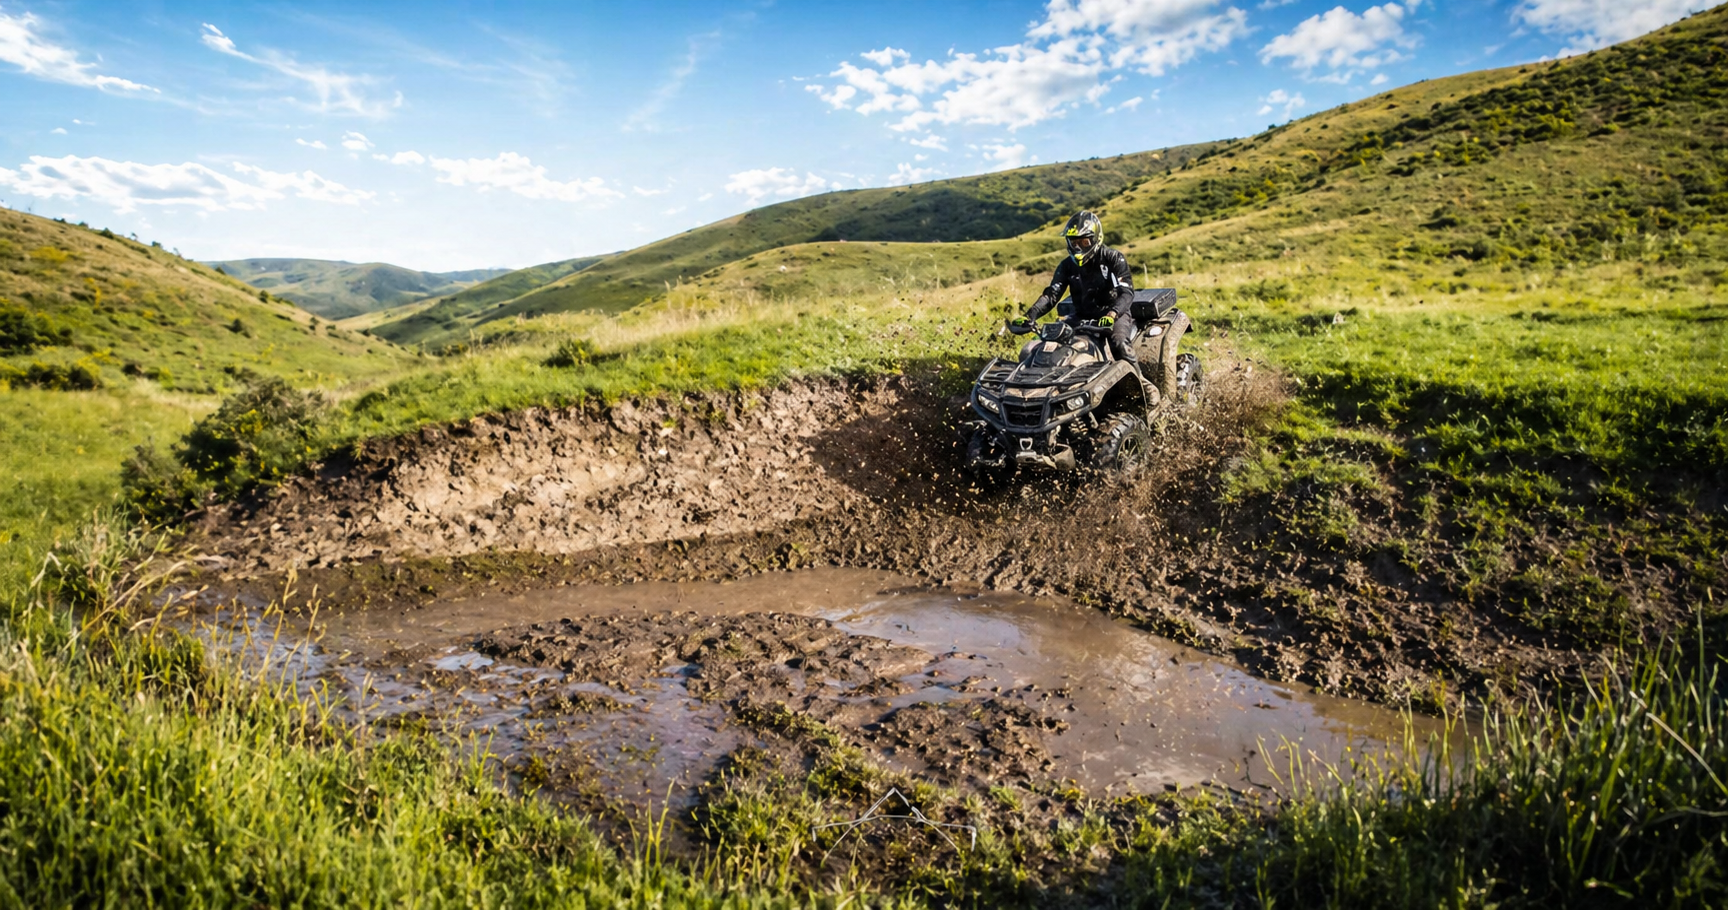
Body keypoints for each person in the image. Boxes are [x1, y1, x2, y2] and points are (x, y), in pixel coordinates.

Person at [1011, 211, 1150, 395]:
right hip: (1081, 315)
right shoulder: (1066, 266)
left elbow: (1126, 292)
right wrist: (1030, 315)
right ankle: (1039, 391)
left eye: (1084, 242)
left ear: (1095, 238)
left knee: (1120, 345)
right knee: (1042, 345)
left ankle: (1142, 386)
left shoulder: (1113, 258)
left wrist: (1112, 314)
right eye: (1073, 242)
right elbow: (1052, 294)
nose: (1078, 247)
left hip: (1113, 314)